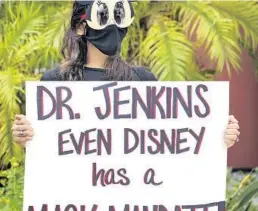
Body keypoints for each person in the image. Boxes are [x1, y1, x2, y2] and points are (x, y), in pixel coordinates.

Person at [12, 0, 240, 148]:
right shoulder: (55, 83)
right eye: (102, 15)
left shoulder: (143, 81)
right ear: (81, 27)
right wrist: (25, 137)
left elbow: (169, 143)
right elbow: (44, 147)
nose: (112, 24)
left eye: (119, 14)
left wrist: (219, 139)